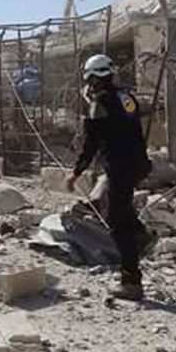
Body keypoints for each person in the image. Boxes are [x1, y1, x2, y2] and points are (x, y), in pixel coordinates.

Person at [65, 53, 152, 300]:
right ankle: (141, 236)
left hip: (120, 167)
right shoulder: (127, 97)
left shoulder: (99, 105)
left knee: (117, 222)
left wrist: (75, 172)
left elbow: (91, 143)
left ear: (92, 79)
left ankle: (131, 282)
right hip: (139, 164)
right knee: (122, 207)